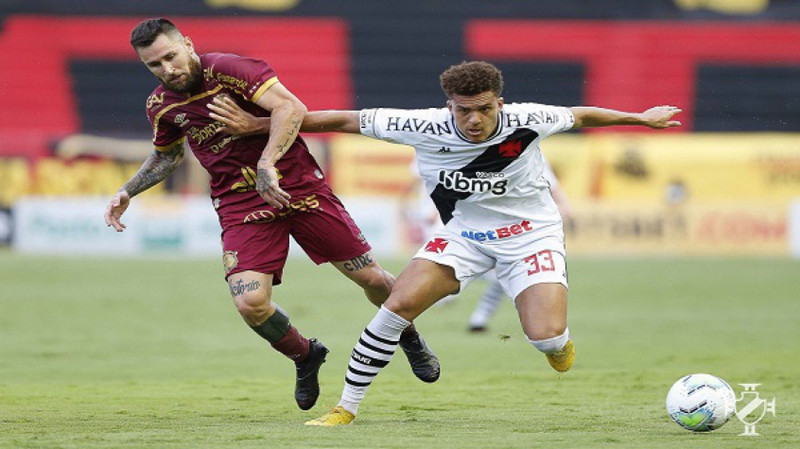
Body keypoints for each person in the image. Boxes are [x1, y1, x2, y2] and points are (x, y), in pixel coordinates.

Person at [206, 60, 682, 426]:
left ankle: (556, 344)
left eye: (484, 109)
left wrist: (641, 118)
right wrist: (256, 126)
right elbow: (341, 121)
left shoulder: (530, 118)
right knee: (396, 305)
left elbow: (581, 115)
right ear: (449, 104)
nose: (474, 120)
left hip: (531, 236)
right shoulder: (422, 125)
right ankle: (345, 409)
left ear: (501, 102)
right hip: (464, 237)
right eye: (463, 109)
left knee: (546, 338)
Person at [103, 18, 440, 412]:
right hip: (240, 204)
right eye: (154, 65)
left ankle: (408, 335)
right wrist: (129, 190)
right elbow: (168, 155)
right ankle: (305, 355)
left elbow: (291, 107)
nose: (167, 69)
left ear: (188, 45)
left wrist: (267, 160)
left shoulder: (229, 70)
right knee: (250, 304)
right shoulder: (162, 106)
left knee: (370, 277)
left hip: (299, 188)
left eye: (170, 57)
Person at [468, 158, 572, 332]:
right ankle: (466, 307)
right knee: (489, 275)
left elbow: (553, 187)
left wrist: (564, 206)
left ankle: (479, 317)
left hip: (518, 234)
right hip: (481, 229)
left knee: (500, 278)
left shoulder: (531, 157)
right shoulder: (482, 154)